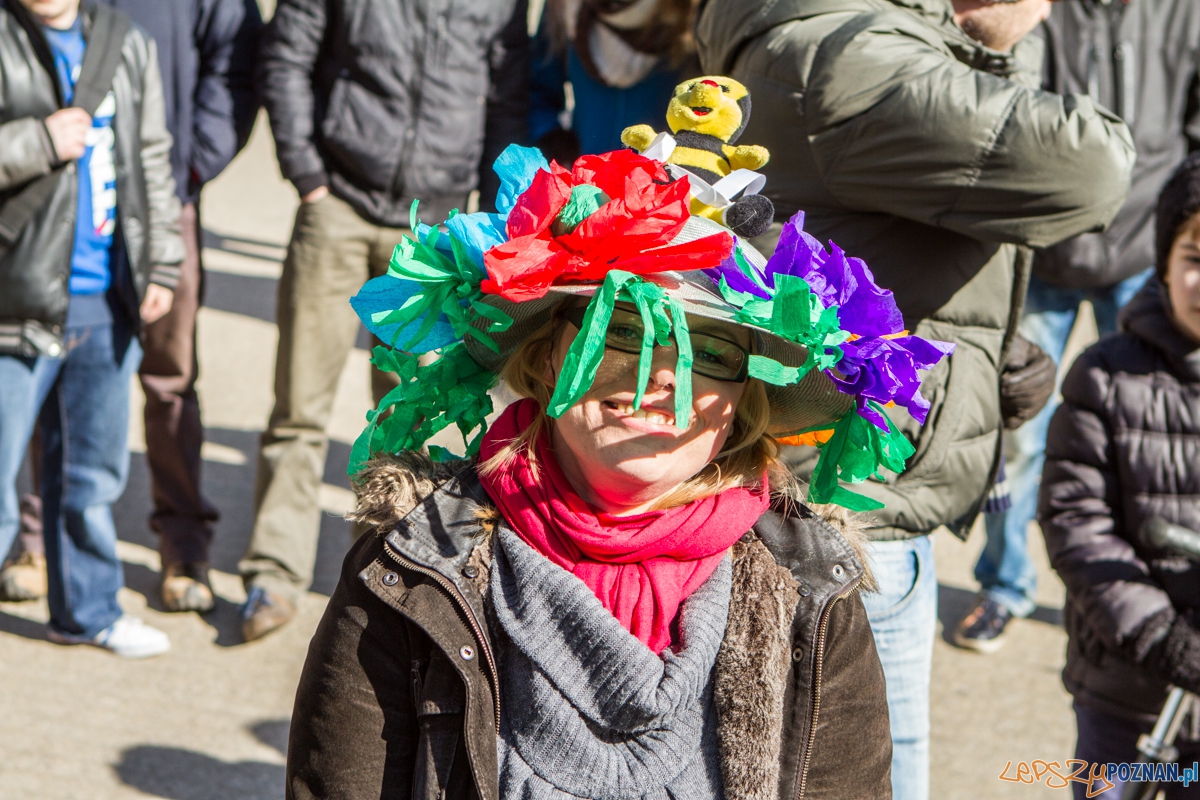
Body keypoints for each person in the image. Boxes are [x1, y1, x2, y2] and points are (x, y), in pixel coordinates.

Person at [284, 138, 961, 798]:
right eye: (626, 332)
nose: (661, 378)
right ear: (548, 360)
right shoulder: (416, 562)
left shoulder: (810, 583)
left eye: (712, 354)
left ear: (741, 403)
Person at [694, 1, 1136, 798]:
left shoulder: (848, 30)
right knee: (868, 776)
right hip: (847, 511)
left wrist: (983, 357)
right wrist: (999, 40)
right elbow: (1089, 165)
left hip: (865, 484)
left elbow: (871, 248)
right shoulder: (845, 52)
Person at [242, 0, 530, 642]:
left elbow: (507, 98)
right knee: (299, 403)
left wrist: (488, 220)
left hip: (438, 234)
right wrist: (307, 175)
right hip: (338, 206)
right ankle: (274, 573)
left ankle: (384, 574)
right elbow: (286, 58)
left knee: (414, 415)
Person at [0, 0, 263, 614]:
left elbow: (236, 60)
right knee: (42, 379)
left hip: (159, 205)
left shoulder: (140, 34)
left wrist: (194, 162)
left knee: (166, 381)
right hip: (39, 216)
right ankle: (36, 546)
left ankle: (182, 545)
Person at [957, 0, 1200, 654]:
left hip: (1148, 254)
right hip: (1046, 253)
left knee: (1158, 432)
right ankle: (1004, 584)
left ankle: (1146, 595)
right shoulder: (1034, 9)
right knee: (1015, 439)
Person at [0, 0, 184, 656]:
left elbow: (153, 158)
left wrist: (162, 261)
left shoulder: (121, 38)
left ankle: (88, 612)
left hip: (106, 299)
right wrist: (39, 142)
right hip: (12, 299)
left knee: (91, 475)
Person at [1038, 154, 1200, 800]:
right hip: (1127, 682)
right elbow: (1076, 521)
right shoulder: (1105, 374)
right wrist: (1158, 634)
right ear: (1163, 260)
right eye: (1195, 255)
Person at [530, 0, 699, 164]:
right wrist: (551, 137)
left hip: (662, 178)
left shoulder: (692, 10)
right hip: (585, 176)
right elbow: (539, 89)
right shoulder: (564, 7)